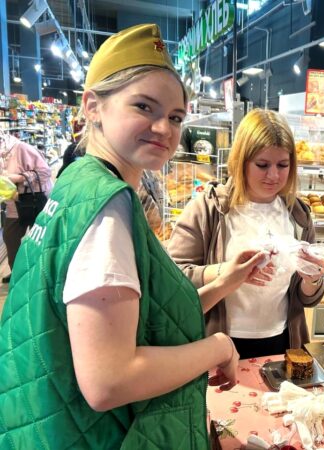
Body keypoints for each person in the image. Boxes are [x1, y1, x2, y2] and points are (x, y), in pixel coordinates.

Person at [0, 24, 267, 449]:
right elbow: (109, 380)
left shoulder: (78, 182)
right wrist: (218, 346)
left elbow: (142, 321)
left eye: (175, 117)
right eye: (144, 106)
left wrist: (224, 284)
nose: (164, 128)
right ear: (93, 106)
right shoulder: (108, 209)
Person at [168, 108, 324, 359]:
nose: (273, 175)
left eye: (283, 165)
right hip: (218, 340)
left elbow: (306, 298)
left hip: (284, 339)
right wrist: (228, 272)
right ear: (241, 161)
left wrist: (312, 280)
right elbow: (174, 277)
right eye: (262, 165)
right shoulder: (208, 209)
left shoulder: (297, 214)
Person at [0, 131, 53, 283]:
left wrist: (19, 178)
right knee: (11, 239)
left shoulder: (21, 148)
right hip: (13, 205)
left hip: (33, 202)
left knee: (40, 240)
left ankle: (41, 276)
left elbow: (45, 172)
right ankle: (18, 274)